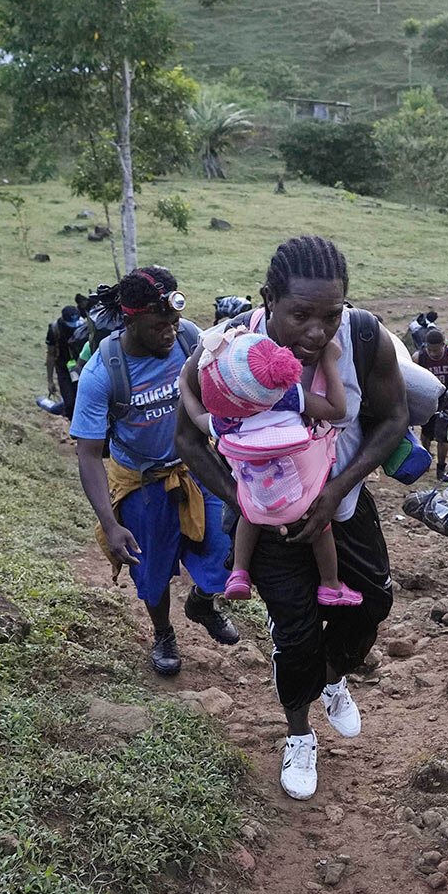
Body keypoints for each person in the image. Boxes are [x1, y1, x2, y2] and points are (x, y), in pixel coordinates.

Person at [176, 235, 409, 802]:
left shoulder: (362, 337)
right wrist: (244, 500)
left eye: (330, 314)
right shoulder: (224, 350)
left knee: (373, 604)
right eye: (301, 314)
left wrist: (335, 491)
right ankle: (300, 734)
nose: (316, 332)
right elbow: (188, 436)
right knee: (297, 634)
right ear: (269, 301)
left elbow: (394, 417)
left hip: (342, 509)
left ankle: (333, 679)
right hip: (269, 525)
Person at [72, 267, 240, 677]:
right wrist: (110, 525)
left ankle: (202, 600)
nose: (170, 332)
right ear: (130, 320)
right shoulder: (101, 375)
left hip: (197, 465)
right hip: (142, 481)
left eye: (174, 322)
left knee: (231, 546)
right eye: (158, 325)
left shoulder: (189, 340)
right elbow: (89, 455)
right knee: (151, 571)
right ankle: (163, 632)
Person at [187, 327, 360, 607]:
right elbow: (338, 409)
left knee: (249, 512)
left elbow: (197, 418)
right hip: (301, 498)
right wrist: (328, 360)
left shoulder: (227, 420)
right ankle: (331, 584)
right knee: (321, 528)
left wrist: (185, 387)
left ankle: (239, 572)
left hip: (257, 499)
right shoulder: (286, 398)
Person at [413, 329, 448, 479]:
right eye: (430, 350)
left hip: (445, 402)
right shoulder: (419, 357)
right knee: (426, 434)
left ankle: (440, 469)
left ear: (443, 345)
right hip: (426, 400)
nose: (433, 353)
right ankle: (425, 462)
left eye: (436, 350)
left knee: (442, 437)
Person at [46, 304, 86, 418]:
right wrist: (50, 381)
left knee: (82, 400)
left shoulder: (84, 326)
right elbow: (50, 354)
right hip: (63, 368)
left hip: (82, 367)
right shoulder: (55, 329)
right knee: (69, 403)